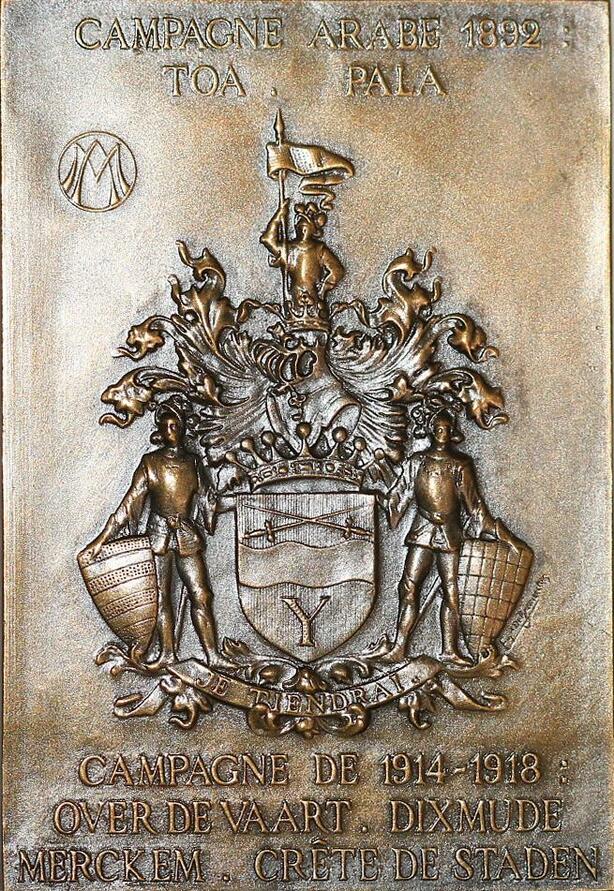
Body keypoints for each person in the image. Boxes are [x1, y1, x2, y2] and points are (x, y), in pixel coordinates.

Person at [88, 401, 231, 670]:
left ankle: (212, 655)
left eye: (175, 425)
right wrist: (101, 540)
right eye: (166, 427)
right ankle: (167, 653)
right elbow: (129, 504)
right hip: (159, 536)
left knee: (201, 594)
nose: (171, 431)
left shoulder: (193, 463)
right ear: (160, 431)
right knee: (161, 597)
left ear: (183, 428)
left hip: (186, 534)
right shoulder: (151, 463)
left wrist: (224, 501)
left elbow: (206, 501)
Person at [376, 408, 520, 666]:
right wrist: (381, 501)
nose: (442, 433)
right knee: (408, 586)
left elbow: (475, 506)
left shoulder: (460, 465)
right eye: (438, 429)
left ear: (452, 432)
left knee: (453, 592)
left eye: (446, 429)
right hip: (422, 531)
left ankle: (449, 649)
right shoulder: (417, 462)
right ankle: (399, 647)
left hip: (449, 534)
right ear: (432, 431)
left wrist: (504, 536)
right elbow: (398, 494)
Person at [260, 199, 345, 327]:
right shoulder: (288, 249)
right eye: (300, 224)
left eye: (305, 224)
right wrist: (278, 215)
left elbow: (337, 271)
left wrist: (323, 289)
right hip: (294, 296)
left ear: (314, 229)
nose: (302, 227)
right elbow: (267, 239)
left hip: (315, 297)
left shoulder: (319, 249)